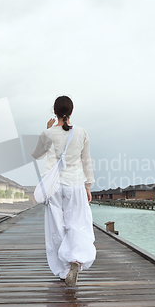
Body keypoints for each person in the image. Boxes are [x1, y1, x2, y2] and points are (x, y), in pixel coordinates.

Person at [31, 95, 96, 287]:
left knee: (57, 226)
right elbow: (87, 161)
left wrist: (49, 129)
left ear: (54, 112)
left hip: (54, 186)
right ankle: (75, 259)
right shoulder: (82, 132)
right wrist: (88, 186)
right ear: (72, 111)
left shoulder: (48, 133)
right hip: (75, 184)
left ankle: (64, 270)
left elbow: (36, 155)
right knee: (76, 223)